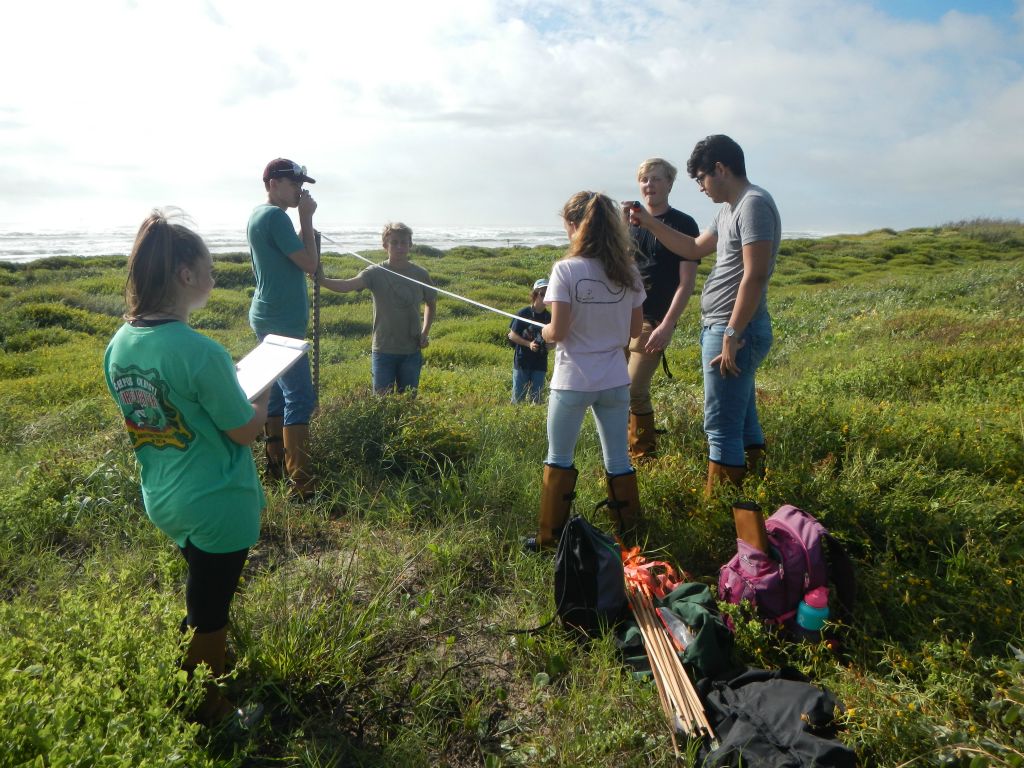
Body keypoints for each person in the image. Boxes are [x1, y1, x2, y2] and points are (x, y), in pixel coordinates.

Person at [104, 210, 268, 725]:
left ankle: (197, 667)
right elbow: (245, 430)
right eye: (210, 269)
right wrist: (260, 392)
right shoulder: (202, 352)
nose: (215, 278)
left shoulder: (120, 342)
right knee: (210, 610)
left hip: (164, 495)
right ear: (185, 276)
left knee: (202, 587)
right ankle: (208, 709)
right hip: (217, 502)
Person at [627, 135, 781, 493]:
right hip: (724, 326)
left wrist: (731, 334)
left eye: (700, 178)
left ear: (721, 170)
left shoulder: (754, 204)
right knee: (741, 418)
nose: (699, 187)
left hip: (732, 330)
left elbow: (754, 275)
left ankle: (721, 507)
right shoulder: (730, 208)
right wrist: (648, 224)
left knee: (720, 425)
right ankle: (757, 490)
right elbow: (693, 247)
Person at [525, 191, 646, 551]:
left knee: (559, 457)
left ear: (576, 226)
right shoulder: (628, 270)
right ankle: (632, 537)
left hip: (573, 380)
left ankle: (549, 540)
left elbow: (557, 332)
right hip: (614, 381)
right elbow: (634, 331)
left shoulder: (565, 270)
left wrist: (544, 332)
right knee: (619, 459)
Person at [247, 158, 320, 499]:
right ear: (273, 184)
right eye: (294, 184)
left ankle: (274, 466)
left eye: (300, 185)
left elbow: (293, 254)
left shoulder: (260, 216)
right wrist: (306, 218)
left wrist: (303, 223)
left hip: (268, 315)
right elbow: (309, 264)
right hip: (281, 321)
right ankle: (301, 485)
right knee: (300, 397)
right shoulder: (276, 217)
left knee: (275, 393)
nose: (299, 190)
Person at [623, 158, 701, 460]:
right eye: (644, 179)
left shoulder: (683, 224)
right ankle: (620, 452)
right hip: (622, 318)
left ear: (669, 183)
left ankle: (643, 455)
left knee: (633, 390)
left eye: (656, 179)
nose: (649, 185)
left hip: (652, 321)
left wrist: (667, 325)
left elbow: (686, 283)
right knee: (615, 391)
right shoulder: (628, 225)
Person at [317, 222, 437, 394]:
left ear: (410, 245)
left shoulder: (420, 274)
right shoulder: (374, 272)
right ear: (384, 245)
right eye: (394, 242)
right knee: (381, 402)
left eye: (404, 242)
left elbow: (431, 304)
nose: (399, 246)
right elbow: (347, 285)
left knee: (408, 401)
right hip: (383, 350)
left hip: (411, 350)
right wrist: (322, 280)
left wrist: (424, 333)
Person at [507, 278, 552, 404]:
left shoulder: (549, 317)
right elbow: (512, 335)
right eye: (542, 293)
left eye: (548, 294)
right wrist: (529, 344)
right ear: (535, 295)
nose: (545, 297)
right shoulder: (523, 313)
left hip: (540, 363)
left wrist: (549, 346)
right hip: (522, 361)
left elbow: (555, 340)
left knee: (536, 399)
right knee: (518, 397)